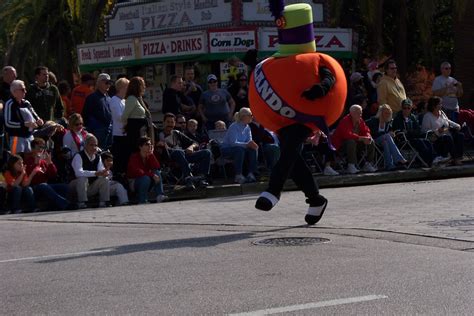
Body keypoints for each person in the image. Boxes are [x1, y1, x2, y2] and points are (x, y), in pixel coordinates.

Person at [157, 113, 211, 189]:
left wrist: (191, 147)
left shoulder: (177, 133)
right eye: (168, 122)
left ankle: (201, 178)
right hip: (169, 157)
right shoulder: (158, 134)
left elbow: (195, 143)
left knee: (206, 152)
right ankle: (188, 178)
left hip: (183, 155)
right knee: (179, 152)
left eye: (172, 122)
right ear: (163, 123)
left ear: (175, 123)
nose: (170, 124)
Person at [24, 138, 70, 210]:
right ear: (32, 149)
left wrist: (50, 163)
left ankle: (55, 206)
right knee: (43, 185)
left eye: (43, 147)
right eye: (39, 147)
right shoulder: (28, 161)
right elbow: (30, 177)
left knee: (65, 187)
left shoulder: (43, 161)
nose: (41, 149)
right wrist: (36, 163)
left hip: (45, 186)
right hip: (34, 187)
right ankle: (65, 204)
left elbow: (53, 176)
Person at [332, 104, 377, 174]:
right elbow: (347, 135)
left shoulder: (360, 120)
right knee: (351, 141)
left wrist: (367, 137)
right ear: (352, 113)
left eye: (361, 113)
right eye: (359, 113)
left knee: (371, 141)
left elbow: (366, 130)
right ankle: (351, 165)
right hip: (341, 146)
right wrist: (361, 138)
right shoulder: (345, 121)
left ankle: (368, 164)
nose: (360, 115)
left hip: (355, 143)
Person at [69, 134, 110, 209]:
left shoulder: (98, 157)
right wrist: (95, 173)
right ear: (85, 145)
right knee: (82, 178)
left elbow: (100, 171)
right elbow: (78, 173)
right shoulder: (78, 156)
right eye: (91, 145)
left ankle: (103, 202)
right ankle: (81, 203)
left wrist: (104, 173)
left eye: (96, 145)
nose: (94, 148)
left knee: (105, 179)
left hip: (89, 186)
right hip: (75, 186)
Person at [392, 98, 438, 166]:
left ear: (411, 108)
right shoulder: (397, 119)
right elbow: (398, 131)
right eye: (404, 108)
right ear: (402, 108)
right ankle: (426, 161)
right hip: (403, 141)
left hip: (413, 138)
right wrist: (409, 132)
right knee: (419, 142)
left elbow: (418, 130)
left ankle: (432, 159)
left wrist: (409, 131)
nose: (406, 110)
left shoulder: (412, 117)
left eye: (408, 108)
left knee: (426, 141)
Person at [4, 80, 43, 154]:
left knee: (30, 160)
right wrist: (24, 124)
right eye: (22, 89)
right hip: (16, 138)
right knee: (16, 159)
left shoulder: (26, 103)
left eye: (25, 89)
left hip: (30, 137)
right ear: (14, 92)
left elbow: (35, 115)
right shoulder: (9, 104)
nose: (25, 91)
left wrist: (38, 120)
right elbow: (8, 123)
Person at [220, 107, 259, 184]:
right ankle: (238, 175)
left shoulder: (247, 127)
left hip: (240, 149)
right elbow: (233, 143)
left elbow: (249, 141)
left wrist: (252, 145)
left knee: (253, 149)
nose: (252, 117)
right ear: (244, 116)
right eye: (250, 115)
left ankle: (251, 173)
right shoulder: (234, 126)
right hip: (227, 149)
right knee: (239, 149)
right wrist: (247, 144)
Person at [422, 96, 464, 165]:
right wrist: (437, 131)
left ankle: (458, 157)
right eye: (439, 104)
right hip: (436, 140)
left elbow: (448, 121)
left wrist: (457, 125)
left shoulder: (441, 113)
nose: (441, 105)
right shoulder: (427, 116)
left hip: (446, 134)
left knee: (460, 135)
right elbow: (425, 132)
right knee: (447, 137)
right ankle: (455, 158)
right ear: (434, 105)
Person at [122, 76, 154, 164]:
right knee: (137, 153)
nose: (144, 87)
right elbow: (124, 116)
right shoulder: (131, 99)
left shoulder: (139, 99)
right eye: (142, 85)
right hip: (135, 132)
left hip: (142, 131)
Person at [127, 136, 167, 204]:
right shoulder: (134, 157)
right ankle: (142, 200)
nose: (150, 146)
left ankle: (160, 195)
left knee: (156, 172)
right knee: (146, 178)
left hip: (146, 179)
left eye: (150, 144)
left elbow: (157, 167)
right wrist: (151, 175)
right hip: (134, 182)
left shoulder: (149, 155)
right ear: (140, 147)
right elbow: (138, 172)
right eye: (147, 144)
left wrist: (151, 154)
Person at [366, 104, 407, 170]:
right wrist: (387, 134)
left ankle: (390, 165)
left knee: (385, 142)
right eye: (385, 113)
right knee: (387, 136)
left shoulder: (388, 123)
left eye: (389, 113)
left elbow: (390, 133)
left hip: (383, 141)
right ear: (380, 112)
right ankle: (399, 158)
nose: (387, 115)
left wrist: (392, 134)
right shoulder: (373, 120)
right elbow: (373, 133)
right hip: (373, 141)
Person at [82, 73, 112, 149]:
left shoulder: (109, 98)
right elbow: (85, 114)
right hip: (98, 130)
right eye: (106, 82)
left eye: (110, 83)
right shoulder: (92, 97)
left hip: (109, 130)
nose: (108, 85)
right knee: (98, 152)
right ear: (99, 83)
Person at [109, 77, 130, 174]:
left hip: (125, 135)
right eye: (127, 87)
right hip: (118, 135)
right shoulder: (114, 100)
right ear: (122, 88)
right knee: (119, 159)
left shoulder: (124, 101)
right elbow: (118, 117)